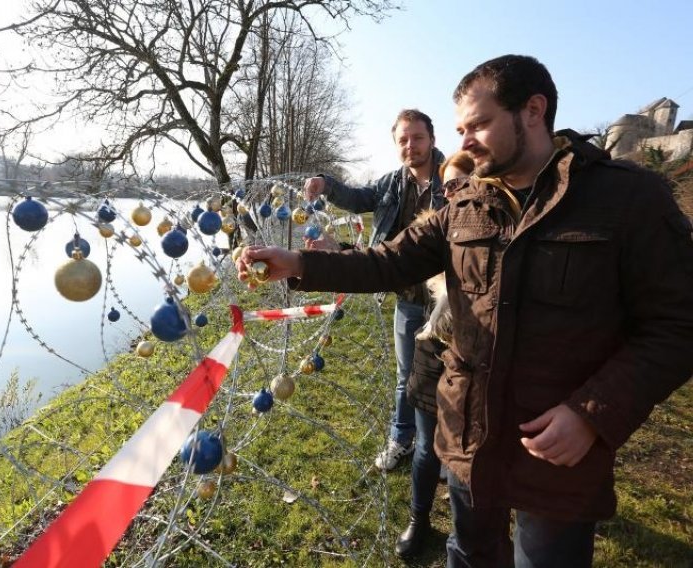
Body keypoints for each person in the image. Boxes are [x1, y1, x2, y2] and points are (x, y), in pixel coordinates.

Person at [237, 54, 693, 567]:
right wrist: (298, 262)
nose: (465, 141)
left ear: (533, 111)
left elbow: (677, 326)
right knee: (470, 555)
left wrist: (592, 413)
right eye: (460, 128)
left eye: (478, 124)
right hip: (468, 440)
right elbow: (388, 261)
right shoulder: (466, 204)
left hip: (557, 456)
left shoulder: (626, 199)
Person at [303, 109, 447, 471]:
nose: (411, 146)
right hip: (409, 298)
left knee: (448, 380)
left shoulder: (455, 179)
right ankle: (401, 439)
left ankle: (442, 451)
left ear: (432, 139)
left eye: (417, 138)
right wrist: (326, 184)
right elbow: (356, 197)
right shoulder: (391, 184)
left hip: (450, 302)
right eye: (403, 140)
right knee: (406, 377)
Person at [395, 151, 473, 560]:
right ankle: (419, 518)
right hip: (435, 351)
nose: (455, 191)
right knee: (426, 445)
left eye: (465, 182)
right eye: (449, 185)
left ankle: (466, 538)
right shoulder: (436, 231)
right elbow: (388, 260)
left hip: (479, 363)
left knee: (468, 454)